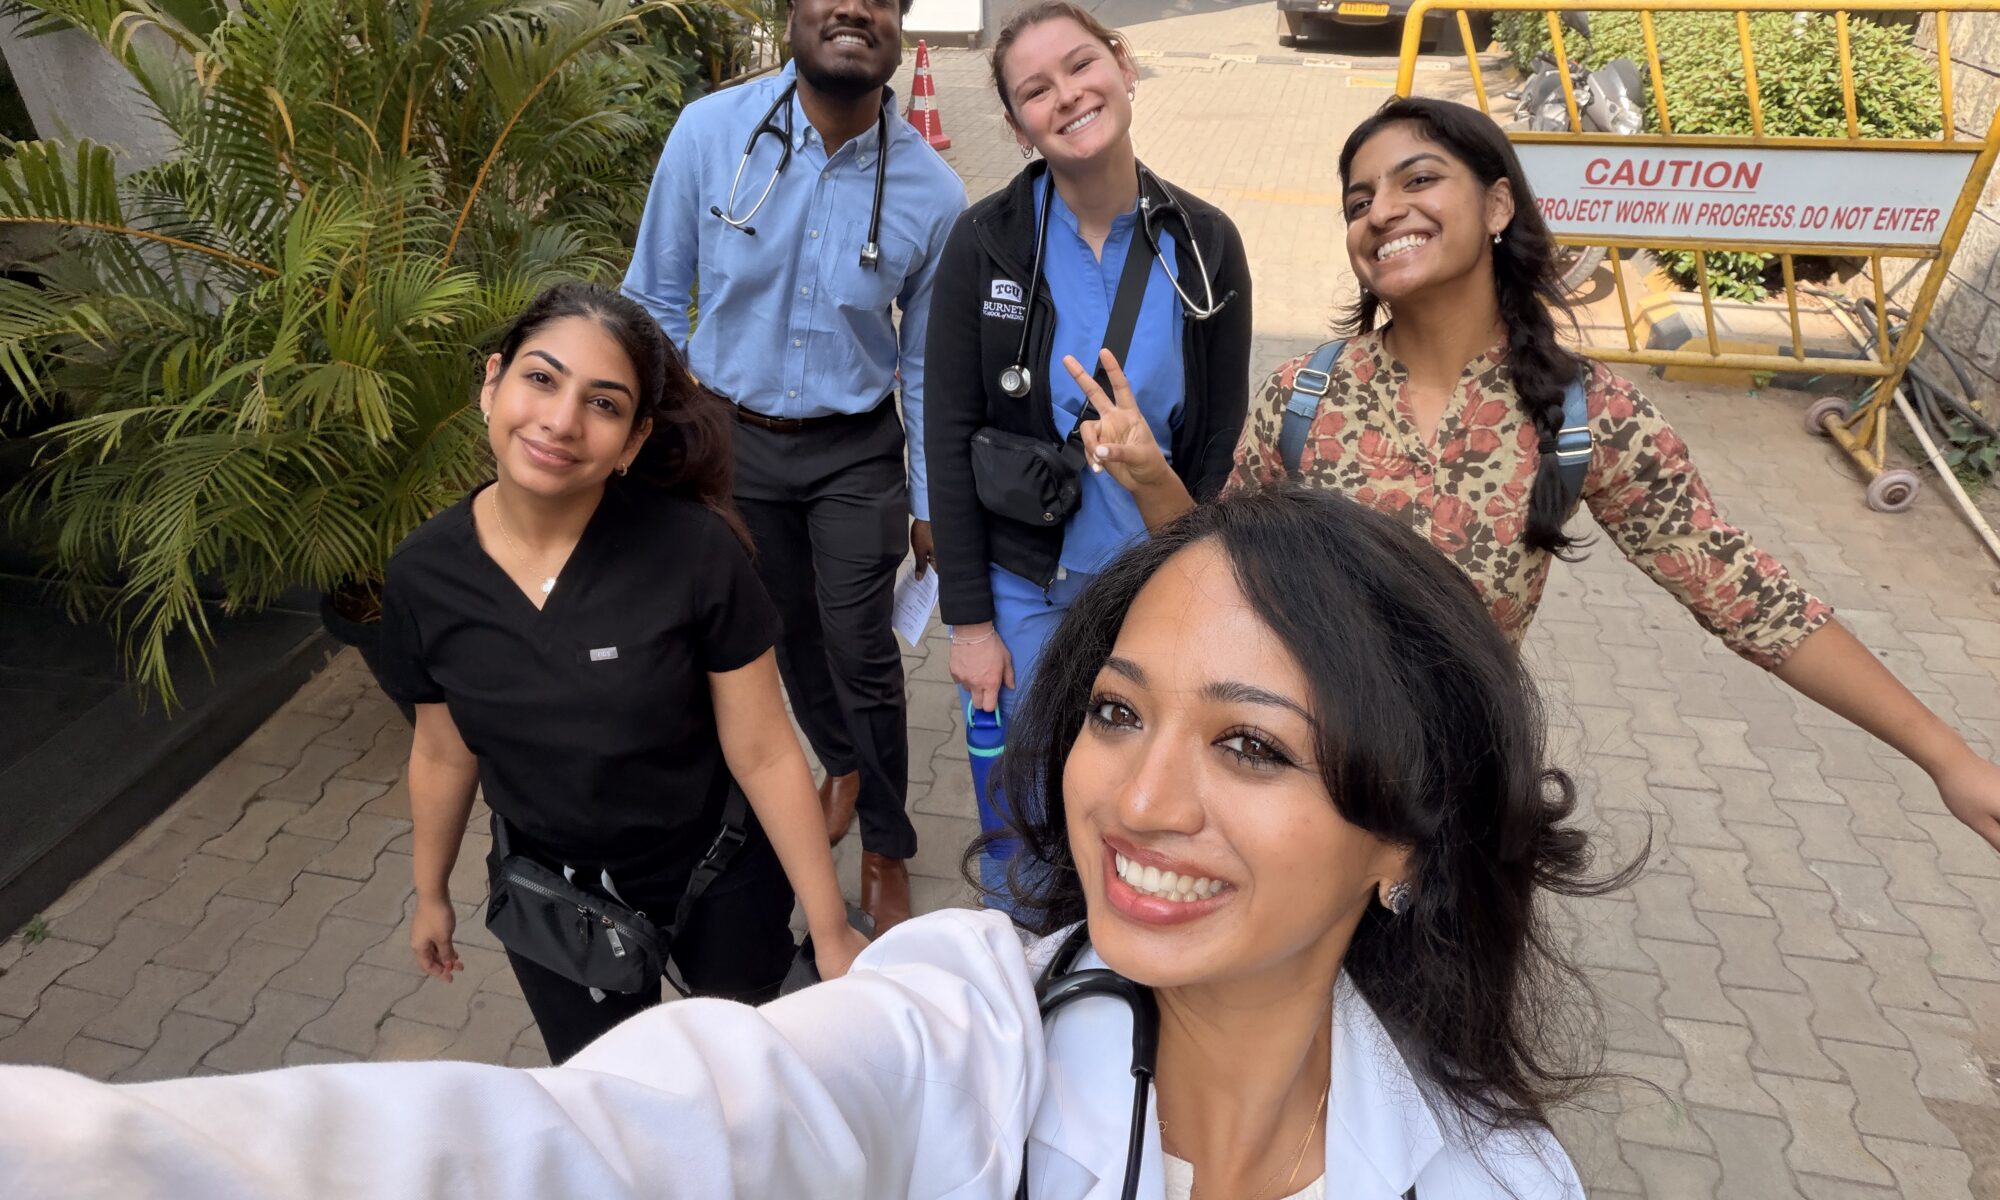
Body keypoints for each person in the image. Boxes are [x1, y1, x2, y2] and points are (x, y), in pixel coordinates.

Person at [2, 489, 1625, 1199]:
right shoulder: (971, 1023)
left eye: (1251, 746)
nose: (1138, 803)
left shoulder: (1491, 1179)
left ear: (1409, 841)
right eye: (1117, 713)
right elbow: (610, 1145)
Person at [1078, 95, 2000, 859]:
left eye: (1418, 179)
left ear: (1497, 207)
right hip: (1287, 796)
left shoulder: (1586, 413)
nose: (1382, 211)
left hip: (1452, 805)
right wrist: (1151, 476)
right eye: (1359, 200)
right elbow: (1222, 575)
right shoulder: (1304, 395)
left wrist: (1945, 756)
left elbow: (1746, 595)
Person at [377, 282, 867, 1063]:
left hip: (717, 873)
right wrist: (430, 893)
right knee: (608, 1090)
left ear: (634, 440)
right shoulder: (423, 575)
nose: (561, 420)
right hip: (554, 896)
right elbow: (441, 750)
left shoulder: (696, 553)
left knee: (750, 1068)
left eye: (603, 404)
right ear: (493, 382)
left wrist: (831, 927)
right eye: (541, 378)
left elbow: (766, 750)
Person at [622, 0, 966, 931]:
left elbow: (928, 364)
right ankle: (840, 764)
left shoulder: (934, 193)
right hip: (730, 438)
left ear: (899, 24)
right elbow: (653, 300)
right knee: (781, 632)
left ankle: (887, 840)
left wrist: (931, 500)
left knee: (861, 650)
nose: (853, 6)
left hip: (855, 450)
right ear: (792, 14)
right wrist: (659, 441)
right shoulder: (711, 135)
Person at [923, 1, 1251, 896]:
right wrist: (971, 624)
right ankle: (1031, 955)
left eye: (1080, 65)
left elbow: (1220, 440)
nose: (1066, 96)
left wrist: (1204, 590)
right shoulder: (985, 242)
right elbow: (947, 437)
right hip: (1023, 589)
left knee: (1137, 801)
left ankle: (1123, 958)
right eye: (1035, 90)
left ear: (1124, 66)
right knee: (1028, 807)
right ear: (1016, 124)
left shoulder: (1206, 243)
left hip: (1151, 590)